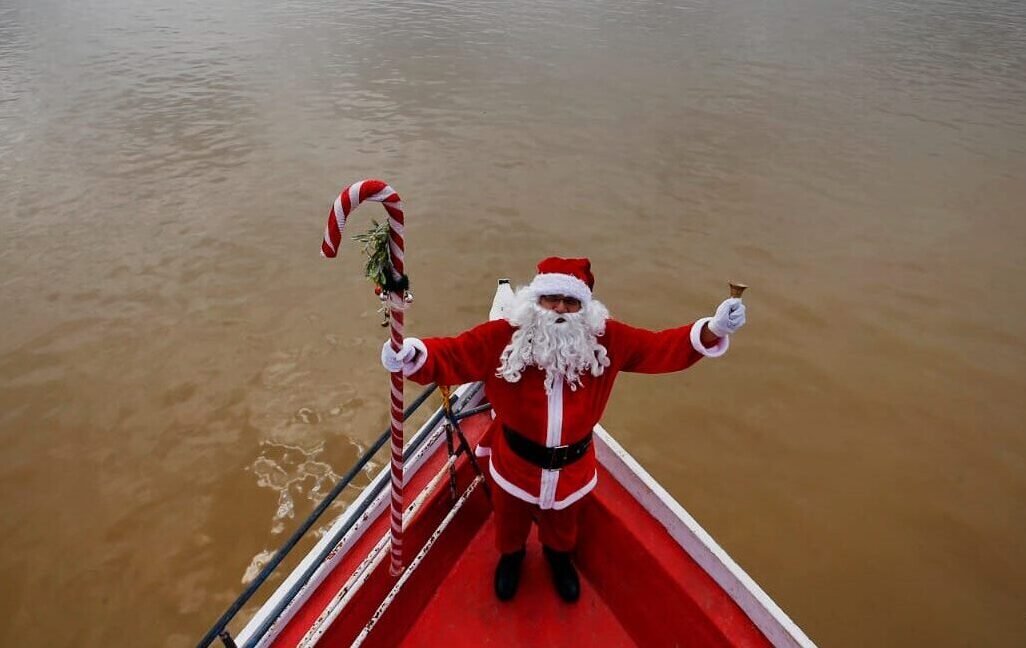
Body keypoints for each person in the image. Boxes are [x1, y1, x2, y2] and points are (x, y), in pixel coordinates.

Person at [381, 257, 746, 603]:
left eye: (570, 301)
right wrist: (413, 355)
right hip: (513, 464)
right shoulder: (502, 338)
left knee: (564, 525)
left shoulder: (608, 341)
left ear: (585, 308)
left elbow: (660, 348)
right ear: (534, 300)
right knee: (509, 521)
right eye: (550, 298)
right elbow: (452, 355)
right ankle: (512, 557)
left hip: (574, 469)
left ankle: (558, 558)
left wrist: (712, 330)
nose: (559, 308)